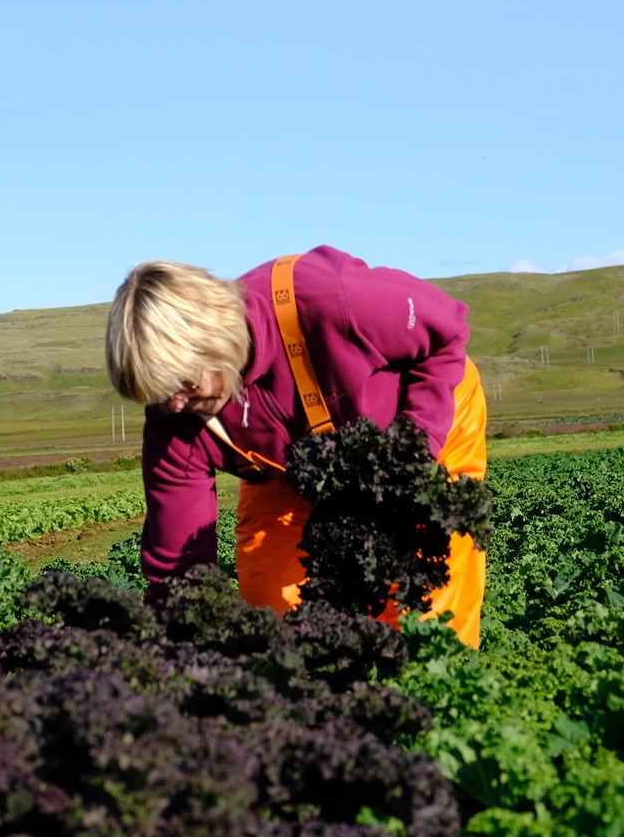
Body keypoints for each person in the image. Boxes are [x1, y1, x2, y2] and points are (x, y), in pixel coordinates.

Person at [105, 247, 487, 645]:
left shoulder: (330, 298)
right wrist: (177, 651)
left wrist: (414, 456)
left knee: (430, 608)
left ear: (215, 341)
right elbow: (180, 568)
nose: (174, 406)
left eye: (185, 385)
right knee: (276, 609)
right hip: (293, 469)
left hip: (425, 425)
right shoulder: (174, 417)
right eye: (160, 394)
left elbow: (447, 330)